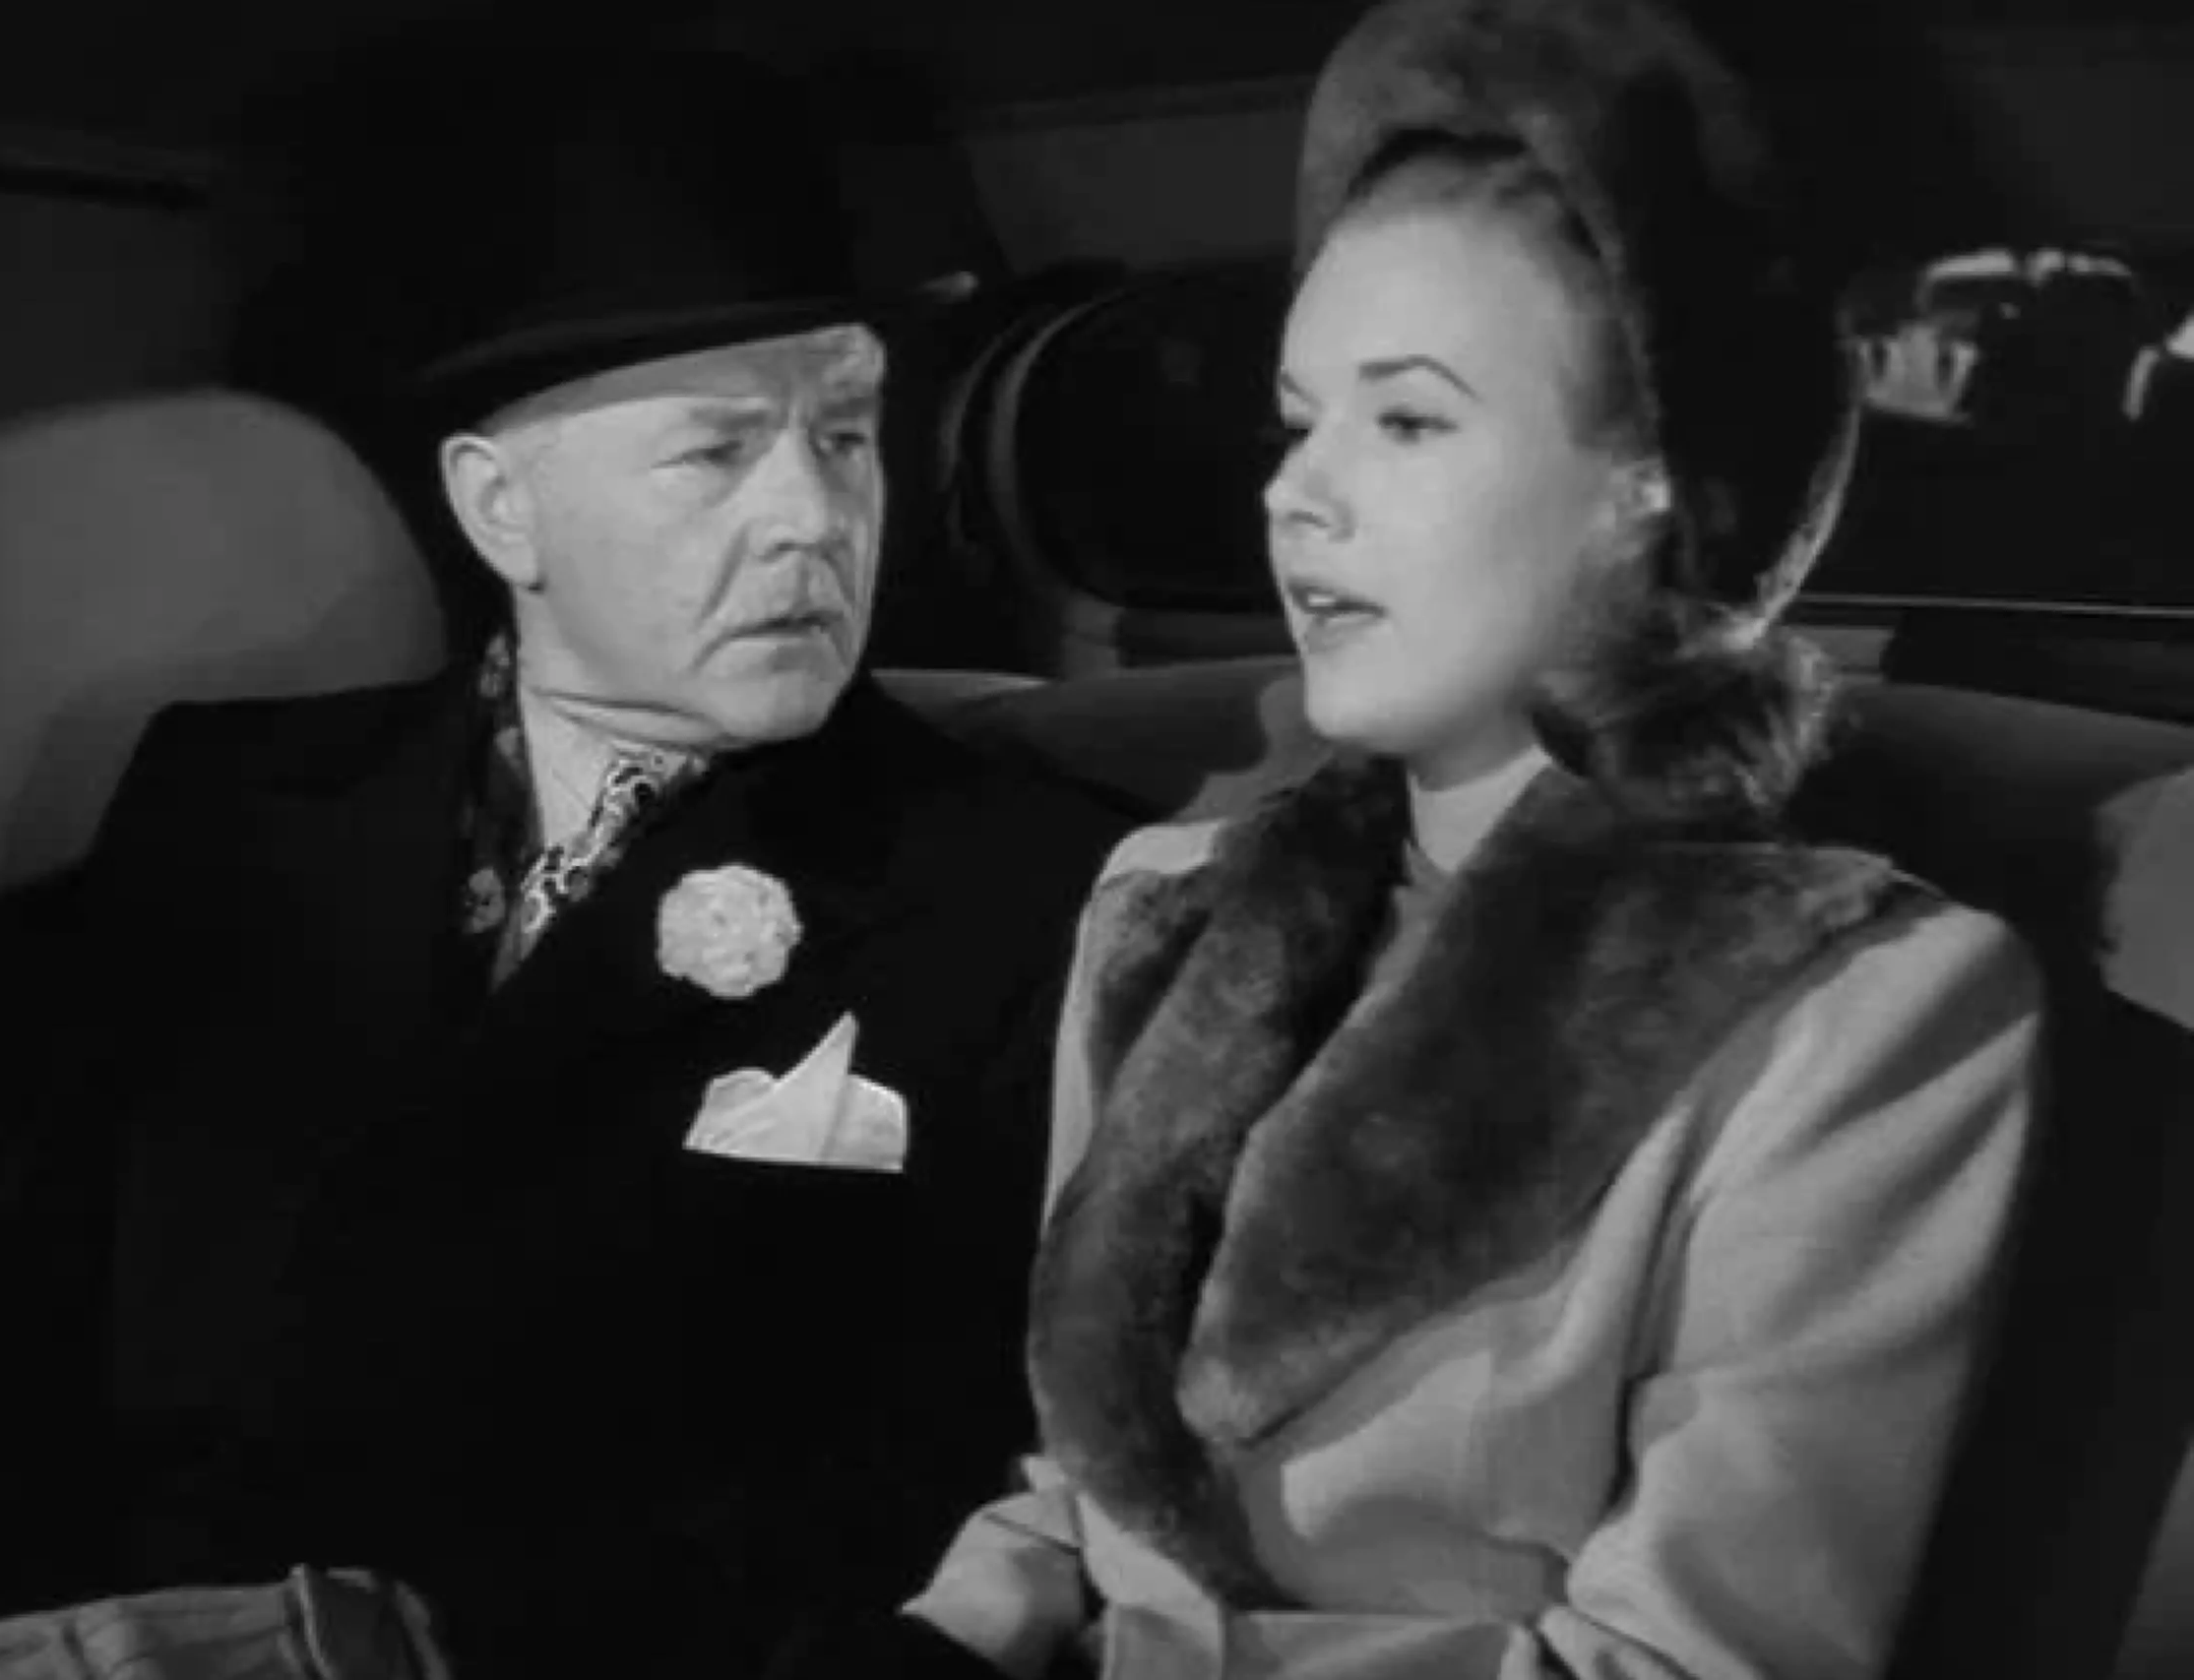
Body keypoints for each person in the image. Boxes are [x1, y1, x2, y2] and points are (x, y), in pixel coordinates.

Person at [0, 35, 1127, 1680]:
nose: (809, 519)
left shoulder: (1034, 887)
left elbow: (938, 1471)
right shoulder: (223, 803)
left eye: (843, 439)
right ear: (499, 510)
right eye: (716, 451)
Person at [841, 1, 2046, 1676]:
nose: (1296, 494)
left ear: (1648, 483)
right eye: (1297, 419)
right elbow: (1095, 1491)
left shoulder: (1864, 1018)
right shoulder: (1163, 908)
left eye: (1407, 421)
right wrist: (951, 1636)